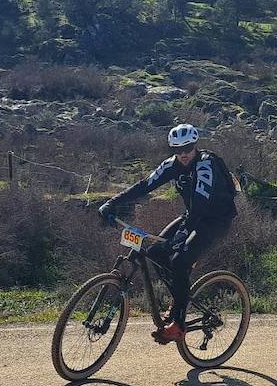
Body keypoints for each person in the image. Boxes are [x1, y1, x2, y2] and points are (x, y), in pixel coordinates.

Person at [99, 123, 237, 344]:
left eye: (188, 148)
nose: (183, 154)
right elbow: (145, 185)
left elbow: (201, 202)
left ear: (195, 146)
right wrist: (112, 203)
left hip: (216, 221)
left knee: (180, 260)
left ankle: (179, 325)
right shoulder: (171, 165)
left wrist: (183, 235)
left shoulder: (205, 164)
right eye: (177, 150)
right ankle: (179, 298)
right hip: (192, 215)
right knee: (154, 252)